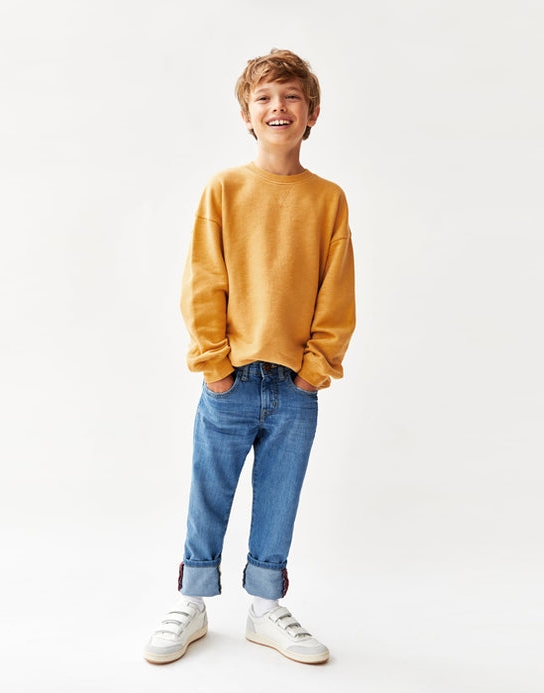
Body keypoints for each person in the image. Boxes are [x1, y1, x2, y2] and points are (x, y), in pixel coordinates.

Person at [143, 48, 356, 665]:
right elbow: (204, 279)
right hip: (230, 377)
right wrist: (214, 366)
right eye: (263, 98)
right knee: (208, 492)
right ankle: (192, 600)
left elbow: (337, 288)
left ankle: (266, 607)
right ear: (246, 115)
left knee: (279, 496)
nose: (277, 107)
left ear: (312, 113)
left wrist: (314, 371)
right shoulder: (225, 189)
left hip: (296, 384)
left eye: (291, 97)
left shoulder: (328, 199)